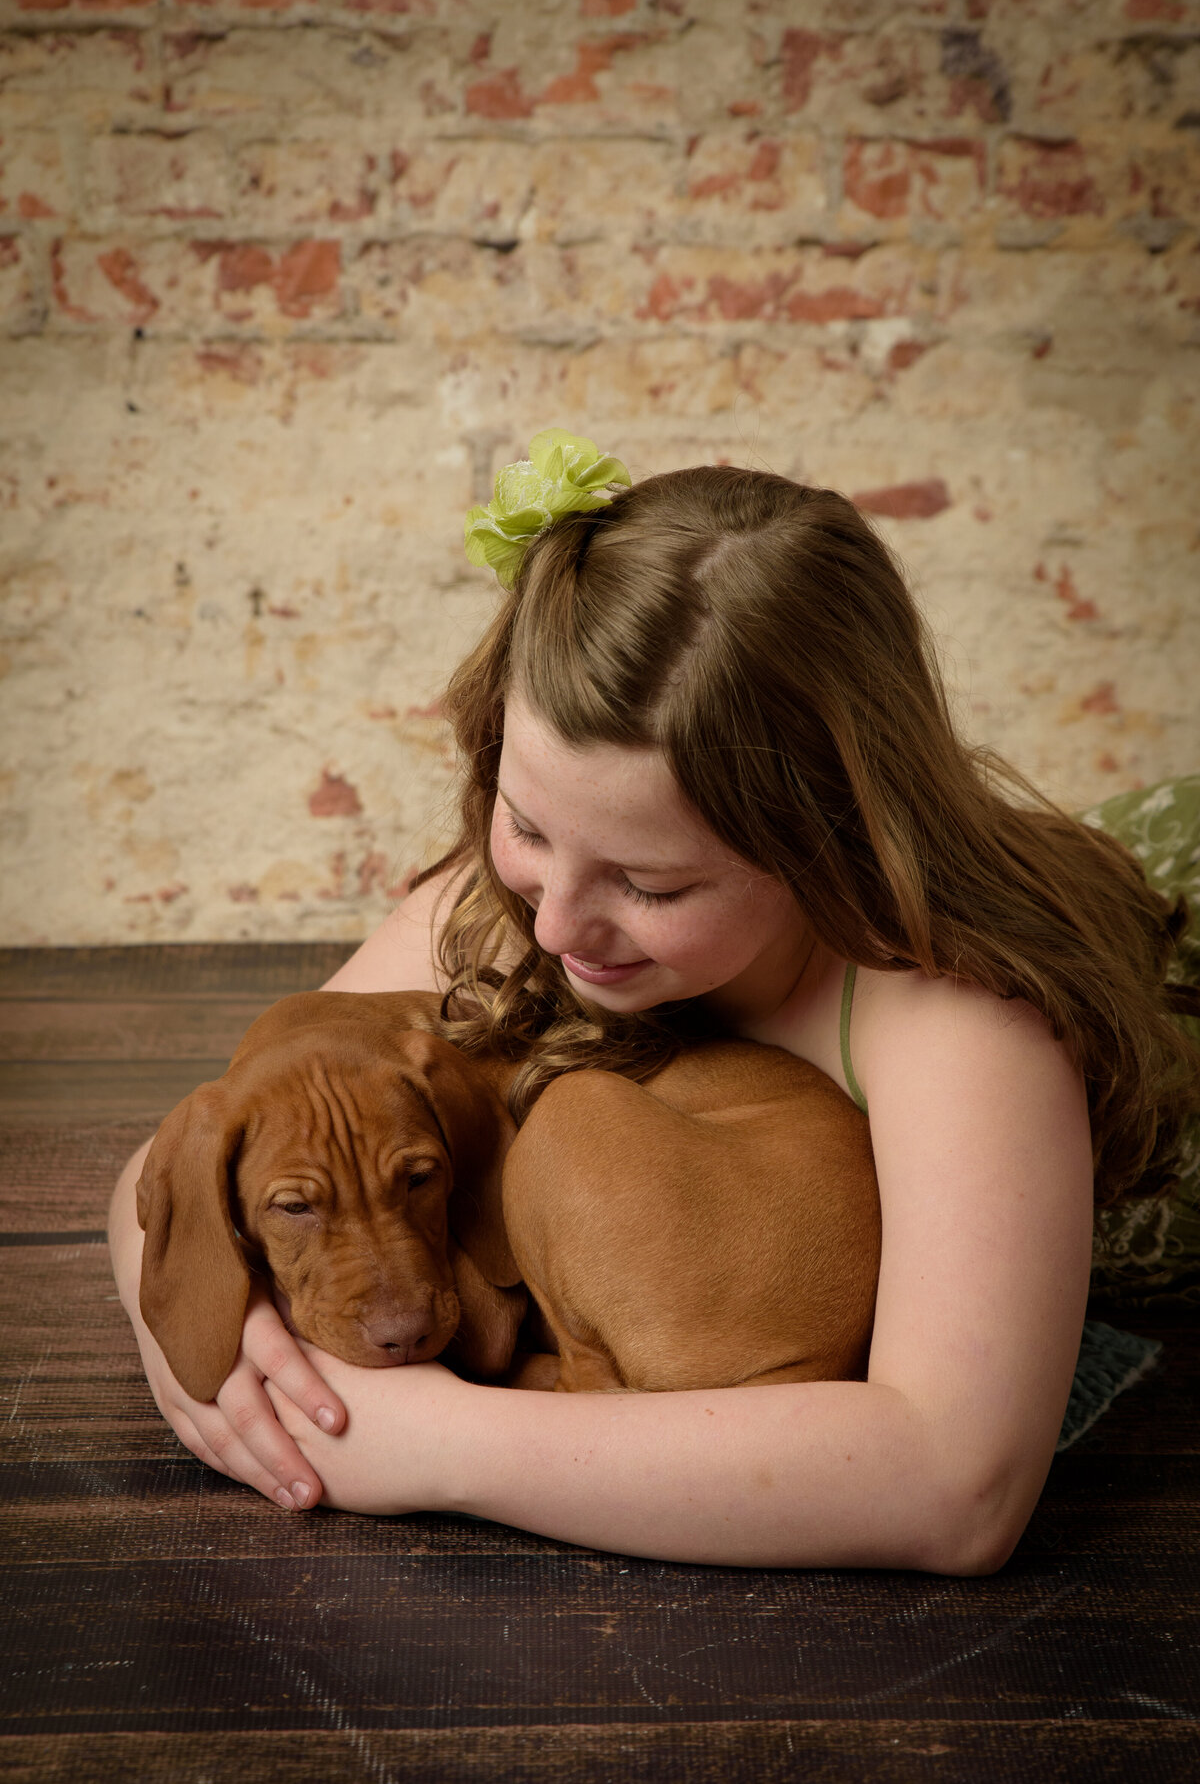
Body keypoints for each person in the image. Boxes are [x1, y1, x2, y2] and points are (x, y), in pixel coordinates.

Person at [107, 434, 1200, 1573]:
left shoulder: (962, 1020)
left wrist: (442, 1445)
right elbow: (199, 1147)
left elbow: (958, 1485)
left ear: (830, 839)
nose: (553, 928)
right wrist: (200, 1350)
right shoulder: (524, 894)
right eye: (526, 824)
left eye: (652, 884)